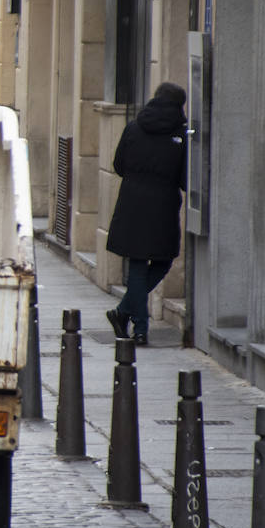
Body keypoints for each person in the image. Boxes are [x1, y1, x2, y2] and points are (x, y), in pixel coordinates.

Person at [104, 82, 188, 347]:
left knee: (139, 265)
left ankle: (128, 316)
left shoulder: (134, 127)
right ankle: (134, 323)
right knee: (162, 261)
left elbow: (118, 165)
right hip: (163, 206)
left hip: (132, 204)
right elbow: (186, 180)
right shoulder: (182, 135)